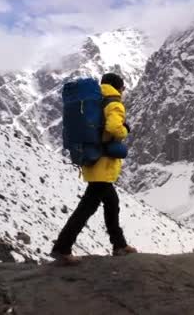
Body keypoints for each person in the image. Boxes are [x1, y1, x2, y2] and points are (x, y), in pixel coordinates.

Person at [51, 73, 137, 264]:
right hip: (103, 163)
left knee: (111, 203)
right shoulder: (114, 102)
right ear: (119, 87)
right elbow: (115, 127)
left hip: (91, 159)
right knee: (87, 208)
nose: (123, 91)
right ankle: (62, 248)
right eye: (123, 88)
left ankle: (119, 244)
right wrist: (125, 130)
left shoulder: (97, 100)